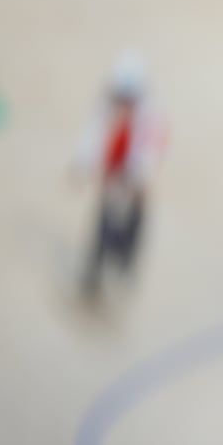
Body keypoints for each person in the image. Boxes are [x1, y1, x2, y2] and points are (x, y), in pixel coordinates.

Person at [72, 49, 165, 300]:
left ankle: (123, 270)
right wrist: (82, 164)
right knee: (102, 222)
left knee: (132, 226)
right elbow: (93, 132)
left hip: (133, 180)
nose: (124, 103)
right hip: (113, 174)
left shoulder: (149, 114)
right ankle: (93, 277)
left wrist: (136, 179)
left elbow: (147, 150)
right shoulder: (107, 103)